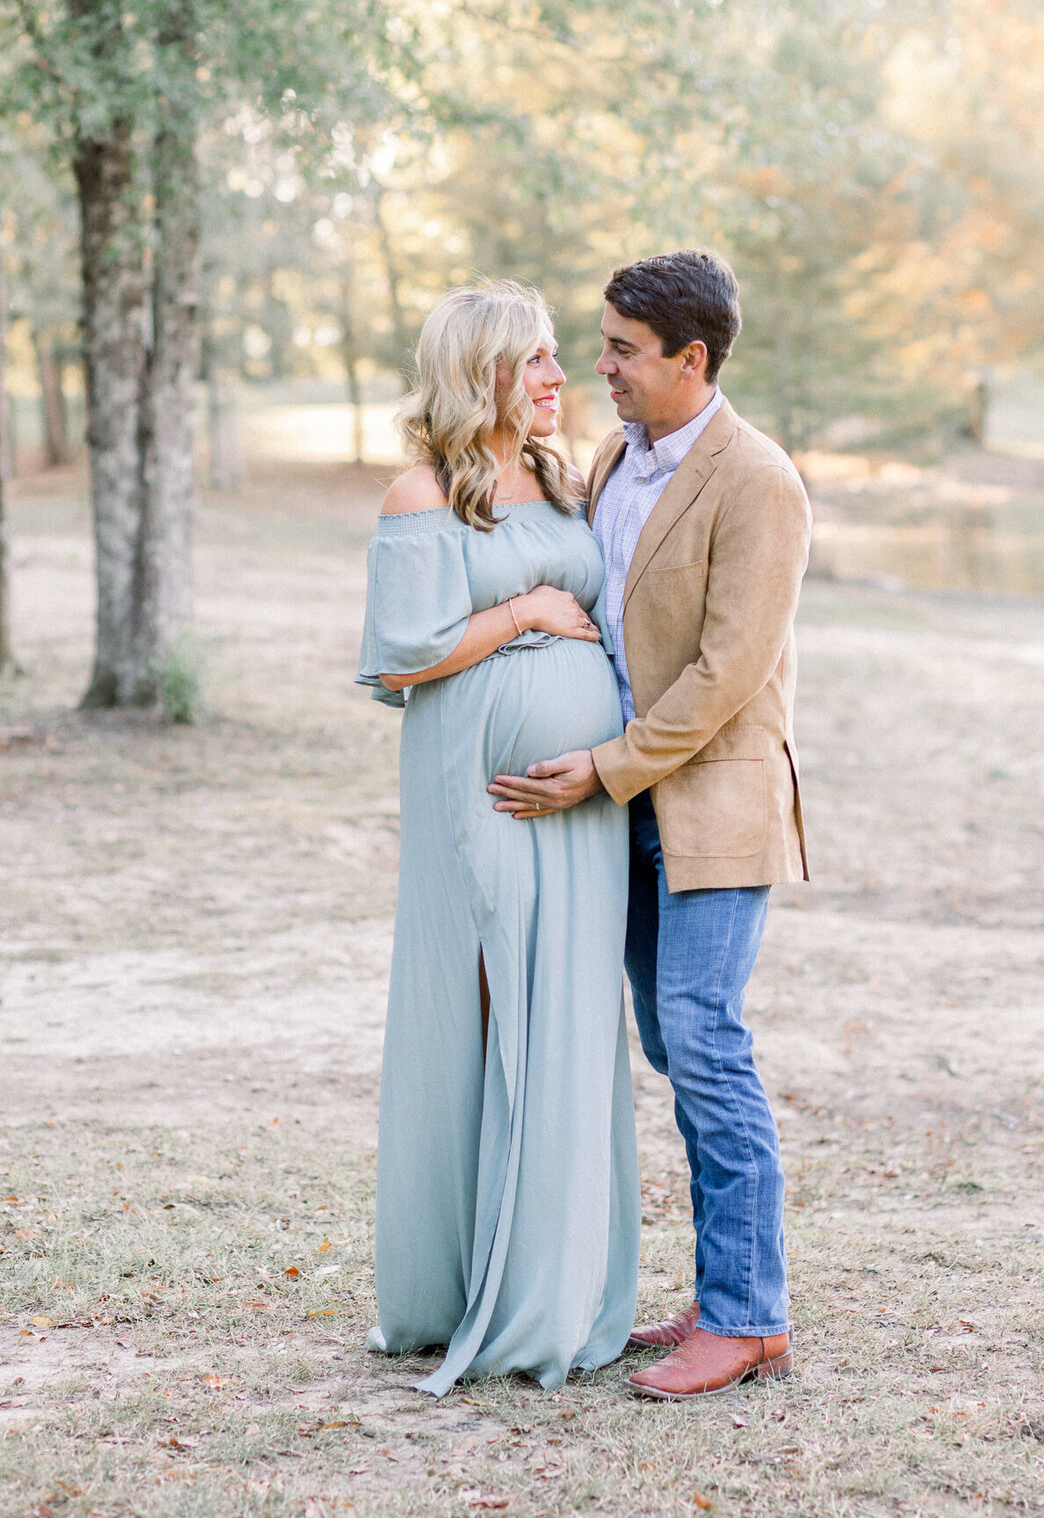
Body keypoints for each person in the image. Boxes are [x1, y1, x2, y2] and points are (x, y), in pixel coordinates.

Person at [490, 249, 812, 1401]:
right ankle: (722, 1293)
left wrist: (605, 764)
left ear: (694, 358)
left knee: (706, 1043)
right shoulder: (615, 457)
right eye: (604, 344)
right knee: (676, 1050)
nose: (602, 368)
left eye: (625, 351)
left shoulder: (759, 480)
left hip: (709, 806)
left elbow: (730, 672)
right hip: (618, 807)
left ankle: (750, 1316)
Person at [355, 280, 639, 1396]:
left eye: (561, 359)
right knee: (489, 1010)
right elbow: (402, 655)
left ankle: (556, 1282)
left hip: (586, 807)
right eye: (537, 362)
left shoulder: (566, 481)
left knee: (566, 1014)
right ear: (481, 372)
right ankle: (471, 1283)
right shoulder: (422, 492)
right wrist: (525, 614)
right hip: (482, 788)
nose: (562, 380)